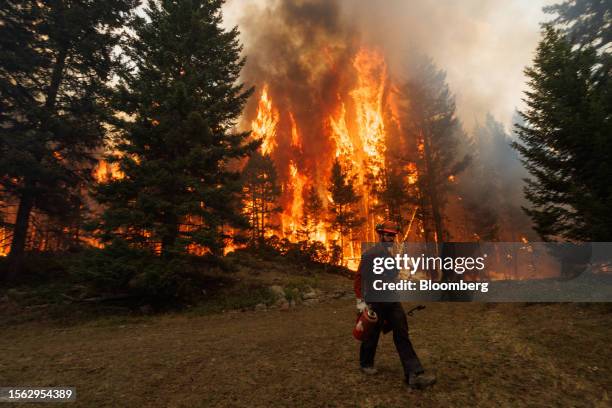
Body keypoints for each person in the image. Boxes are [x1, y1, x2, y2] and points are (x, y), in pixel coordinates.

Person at [354, 220, 437, 390]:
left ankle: (413, 374)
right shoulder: (370, 254)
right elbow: (359, 279)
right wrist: (361, 301)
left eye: (392, 235)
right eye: (387, 234)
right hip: (375, 301)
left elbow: (392, 277)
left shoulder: (391, 256)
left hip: (392, 300)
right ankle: (366, 363)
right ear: (380, 235)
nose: (390, 238)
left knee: (402, 333)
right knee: (371, 333)